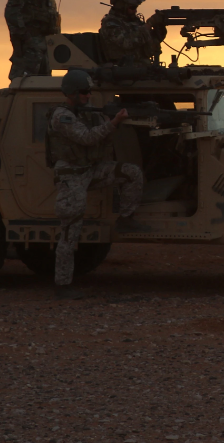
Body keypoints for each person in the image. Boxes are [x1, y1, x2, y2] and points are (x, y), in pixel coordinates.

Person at [47, 70, 144, 299]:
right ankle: (63, 285)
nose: (88, 95)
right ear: (71, 92)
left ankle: (125, 218)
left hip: (90, 170)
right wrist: (114, 122)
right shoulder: (62, 116)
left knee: (131, 173)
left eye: (89, 91)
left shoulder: (87, 112)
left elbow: (101, 135)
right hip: (71, 175)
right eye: (84, 92)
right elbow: (87, 138)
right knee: (70, 230)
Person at [98, 0, 166, 65]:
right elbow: (127, 42)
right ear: (121, 6)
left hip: (142, 66)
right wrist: (149, 24)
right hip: (122, 67)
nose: (135, 11)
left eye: (136, 7)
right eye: (132, 7)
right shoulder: (110, 24)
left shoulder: (134, 22)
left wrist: (159, 27)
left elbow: (153, 41)